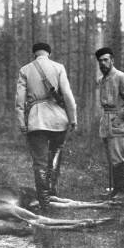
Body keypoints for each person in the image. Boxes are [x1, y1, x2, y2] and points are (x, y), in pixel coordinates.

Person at [15, 42, 77, 210]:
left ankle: (45, 202)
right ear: (48, 53)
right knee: (55, 155)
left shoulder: (25, 70)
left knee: (40, 162)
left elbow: (19, 102)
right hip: (59, 119)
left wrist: (22, 122)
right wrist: (73, 118)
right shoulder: (58, 67)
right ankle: (53, 192)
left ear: (34, 54)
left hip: (37, 120)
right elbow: (67, 95)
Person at [95, 47, 124, 200]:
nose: (103, 63)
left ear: (112, 60)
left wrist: (119, 119)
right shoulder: (102, 80)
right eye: (100, 61)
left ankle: (122, 191)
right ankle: (114, 190)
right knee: (111, 158)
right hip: (106, 121)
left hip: (118, 121)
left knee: (118, 158)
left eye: (106, 60)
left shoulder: (121, 77)